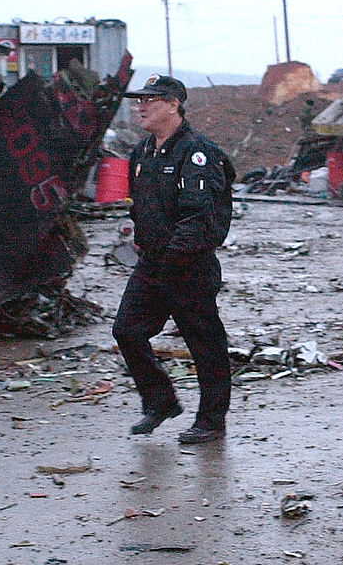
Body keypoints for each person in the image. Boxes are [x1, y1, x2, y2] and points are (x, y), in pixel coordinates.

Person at [113, 75, 236, 444]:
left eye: (150, 100)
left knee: (205, 344)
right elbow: (140, 205)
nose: (142, 107)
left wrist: (175, 255)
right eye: (140, 101)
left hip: (189, 265)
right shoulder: (143, 152)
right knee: (127, 330)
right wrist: (140, 239)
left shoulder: (198, 152)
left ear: (173, 104)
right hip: (153, 263)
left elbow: (202, 217)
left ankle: (212, 420)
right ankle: (161, 401)